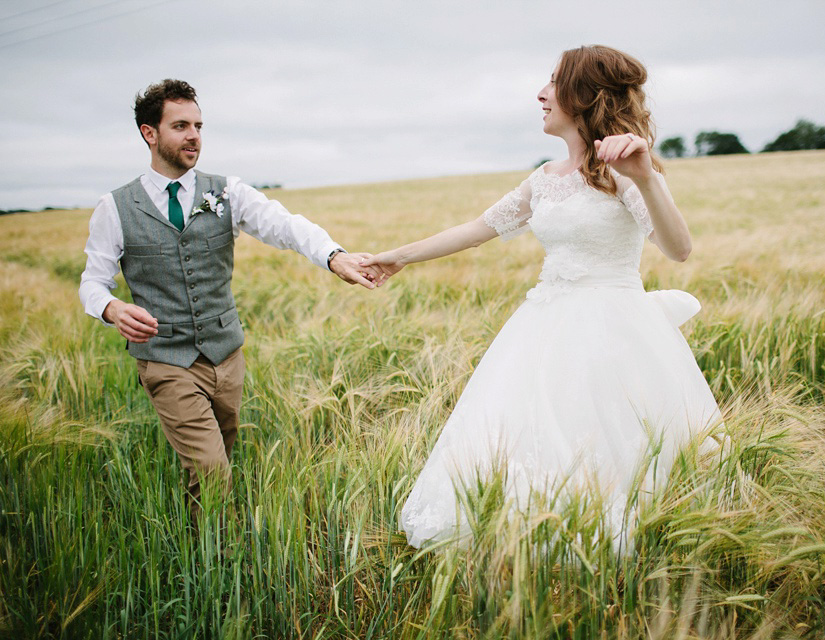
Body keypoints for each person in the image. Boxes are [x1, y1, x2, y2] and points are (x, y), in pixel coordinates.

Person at [361, 46, 722, 548]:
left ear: (584, 95)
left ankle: (607, 544)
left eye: (553, 82)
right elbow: (476, 229)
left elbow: (678, 249)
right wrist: (397, 256)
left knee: (606, 443)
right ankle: (531, 544)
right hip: (543, 326)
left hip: (614, 332)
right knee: (530, 440)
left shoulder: (625, 171)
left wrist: (645, 177)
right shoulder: (544, 179)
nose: (541, 93)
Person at [79, 79, 382, 524]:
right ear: (150, 133)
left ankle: (199, 540)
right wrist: (112, 308)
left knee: (216, 459)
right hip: (166, 360)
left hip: (226, 354)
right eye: (180, 125)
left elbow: (284, 225)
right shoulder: (115, 207)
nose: (194, 136)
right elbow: (93, 281)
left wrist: (333, 256)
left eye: (198, 125)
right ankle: (221, 561)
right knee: (211, 469)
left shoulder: (227, 191)